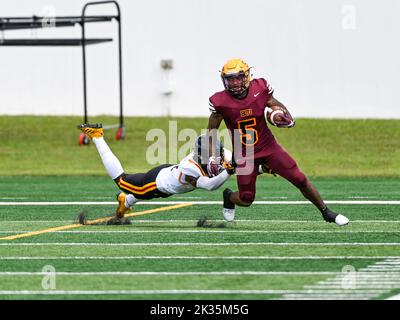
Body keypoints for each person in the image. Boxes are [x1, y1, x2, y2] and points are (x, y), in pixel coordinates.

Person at [207, 58, 349, 226]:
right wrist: (212, 157)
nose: (235, 83)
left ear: (247, 76)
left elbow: (276, 105)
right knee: (246, 199)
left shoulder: (260, 89)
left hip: (269, 148)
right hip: (245, 155)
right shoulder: (220, 102)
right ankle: (229, 196)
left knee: (300, 179)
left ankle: (326, 212)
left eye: (238, 77)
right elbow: (211, 132)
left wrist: (286, 118)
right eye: (230, 79)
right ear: (224, 80)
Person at [78, 124, 235, 218]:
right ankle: (97, 136)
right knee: (122, 181)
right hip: (154, 183)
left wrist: (260, 167)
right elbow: (209, 186)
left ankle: (125, 201)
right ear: (200, 155)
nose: (215, 159)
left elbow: (244, 161)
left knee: (142, 195)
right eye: (210, 157)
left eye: (217, 154)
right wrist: (227, 171)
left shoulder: (219, 152)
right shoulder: (190, 169)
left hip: (168, 174)